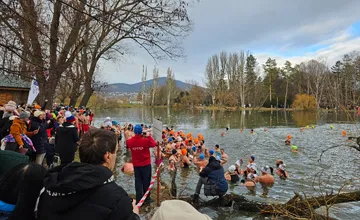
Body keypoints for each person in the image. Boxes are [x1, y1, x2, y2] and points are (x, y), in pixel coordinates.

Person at [37, 129, 140, 220]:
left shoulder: (51, 184)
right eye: (115, 152)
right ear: (107, 156)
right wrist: (134, 215)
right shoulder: (117, 198)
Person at [126, 124, 157, 204]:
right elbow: (153, 144)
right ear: (141, 132)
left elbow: (128, 144)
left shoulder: (130, 141)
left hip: (136, 165)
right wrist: (149, 136)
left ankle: (139, 199)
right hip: (146, 164)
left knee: (138, 182)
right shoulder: (145, 140)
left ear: (134, 132)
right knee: (146, 182)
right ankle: (147, 198)